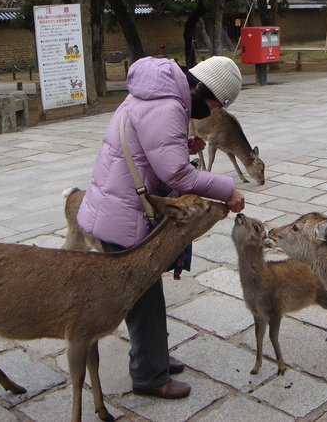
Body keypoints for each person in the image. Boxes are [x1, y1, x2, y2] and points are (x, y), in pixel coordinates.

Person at [77, 55, 245, 399]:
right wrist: (228, 190)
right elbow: (176, 175)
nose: (211, 112)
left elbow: (146, 148)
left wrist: (182, 147)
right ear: (200, 88)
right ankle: (149, 376)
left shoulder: (155, 93)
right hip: (124, 213)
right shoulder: (167, 105)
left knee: (146, 294)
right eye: (213, 103)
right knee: (144, 298)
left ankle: (153, 356)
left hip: (118, 204)